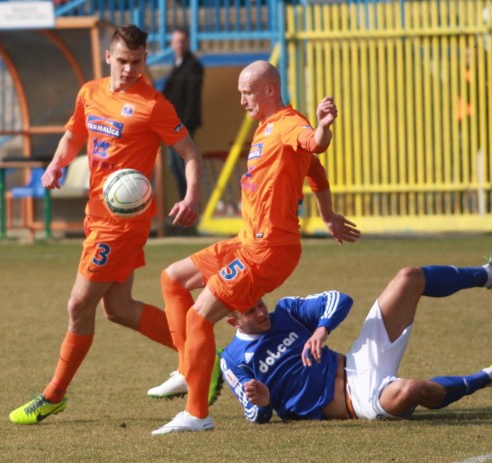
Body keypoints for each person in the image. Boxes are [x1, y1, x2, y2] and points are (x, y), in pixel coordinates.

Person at [8, 24, 204, 425]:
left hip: (123, 223)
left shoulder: (154, 105)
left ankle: (53, 394)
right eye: (123, 61)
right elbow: (73, 136)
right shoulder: (90, 93)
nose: (130, 69)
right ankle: (203, 353)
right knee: (119, 308)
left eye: (137, 62)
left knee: (79, 304)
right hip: (96, 215)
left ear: (145, 59)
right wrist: (55, 166)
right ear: (108, 57)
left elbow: (191, 155)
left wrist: (191, 196)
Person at [150, 60, 358, 435]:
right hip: (247, 241)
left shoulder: (290, 124)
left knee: (199, 318)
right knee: (172, 279)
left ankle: (197, 413)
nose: (242, 99)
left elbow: (316, 145)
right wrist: (327, 216)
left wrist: (324, 127)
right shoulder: (266, 128)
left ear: (269, 91)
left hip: (268, 250)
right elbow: (315, 173)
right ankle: (189, 368)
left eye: (247, 92)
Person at [221, 226, 492, 423]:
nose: (262, 312)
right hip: (358, 401)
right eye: (251, 312)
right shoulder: (233, 359)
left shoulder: (286, 311)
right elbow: (255, 414)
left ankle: (491, 274)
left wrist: (322, 328)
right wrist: (263, 402)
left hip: (358, 361)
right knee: (412, 389)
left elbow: (340, 299)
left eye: (260, 302)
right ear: (234, 320)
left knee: (408, 277)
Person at [161, 28, 204, 200]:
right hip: (173, 125)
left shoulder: (193, 65)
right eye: (176, 41)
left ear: (187, 43)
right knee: (175, 166)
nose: (179, 44)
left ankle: (189, 204)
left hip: (183, 125)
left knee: (183, 164)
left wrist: (184, 126)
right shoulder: (177, 64)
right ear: (172, 43)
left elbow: (192, 98)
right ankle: (185, 204)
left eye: (182, 41)